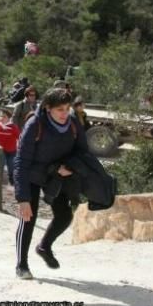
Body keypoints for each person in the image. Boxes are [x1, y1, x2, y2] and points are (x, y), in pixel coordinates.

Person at [13, 88, 92, 279]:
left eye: (67, 108)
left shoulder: (73, 123)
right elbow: (21, 162)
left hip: (57, 174)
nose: (65, 113)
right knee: (28, 217)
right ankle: (21, 265)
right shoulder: (35, 124)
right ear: (48, 108)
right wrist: (22, 198)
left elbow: (82, 152)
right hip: (33, 174)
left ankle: (44, 246)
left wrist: (69, 167)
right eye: (60, 110)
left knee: (65, 216)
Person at [0, 105, 20, 185]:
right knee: (0, 165)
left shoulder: (13, 127)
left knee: (11, 166)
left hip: (12, 151)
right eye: (1, 116)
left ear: (9, 118)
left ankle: (11, 178)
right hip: (1, 150)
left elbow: (19, 137)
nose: (2, 118)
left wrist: (20, 146)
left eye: (4, 116)